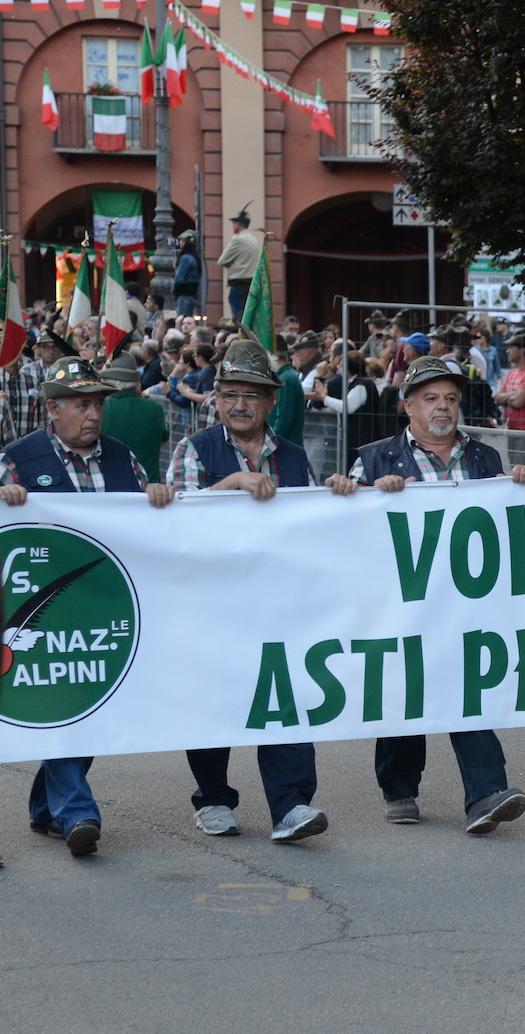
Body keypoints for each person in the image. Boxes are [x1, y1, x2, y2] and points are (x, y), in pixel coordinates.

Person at [324, 357, 525, 833]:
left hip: (467, 600)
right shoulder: (377, 457)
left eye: (450, 398)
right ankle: (399, 787)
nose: (442, 407)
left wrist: (522, 487)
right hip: (402, 600)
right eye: (430, 398)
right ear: (407, 407)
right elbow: (349, 524)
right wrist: (359, 491)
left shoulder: (485, 459)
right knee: (406, 687)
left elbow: (505, 520)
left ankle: (486, 792)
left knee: (467, 688)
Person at [0, 358, 172, 858]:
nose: (93, 414)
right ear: (52, 409)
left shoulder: (123, 459)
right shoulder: (17, 460)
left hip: (106, 612)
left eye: (97, 404)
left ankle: (44, 808)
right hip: (44, 617)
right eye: (81, 405)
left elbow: (149, 525)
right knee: (64, 706)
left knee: (91, 707)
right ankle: (77, 811)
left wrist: (157, 496)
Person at [167, 340, 331, 841]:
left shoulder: (297, 458)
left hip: (279, 606)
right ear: (215, 399)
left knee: (287, 702)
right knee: (215, 704)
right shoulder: (194, 450)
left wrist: (341, 496)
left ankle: (292, 806)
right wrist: (231, 483)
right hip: (213, 606)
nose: (240, 404)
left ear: (271, 401)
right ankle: (213, 799)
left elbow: (317, 527)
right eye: (230, 393)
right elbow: (175, 524)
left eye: (251, 395)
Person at [100, 360, 169, 484]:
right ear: (137, 383)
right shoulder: (154, 407)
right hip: (150, 489)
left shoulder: (101, 408)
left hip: (113, 485)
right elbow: (165, 440)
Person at [495, 331, 525, 435]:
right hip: (512, 429)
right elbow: (497, 398)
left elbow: (518, 402)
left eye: (511, 348)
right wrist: (515, 394)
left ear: (522, 350)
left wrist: (507, 397)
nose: (507, 351)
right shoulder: (512, 373)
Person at [216, 206, 260, 321]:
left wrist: (230, 262)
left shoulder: (238, 239)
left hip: (239, 283)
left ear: (238, 224)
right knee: (248, 316)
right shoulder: (253, 239)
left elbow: (222, 260)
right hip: (250, 283)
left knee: (239, 317)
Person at [172, 234, 201, 317]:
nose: (180, 243)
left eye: (181, 240)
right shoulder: (195, 258)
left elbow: (179, 277)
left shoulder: (185, 258)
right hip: (192, 294)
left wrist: (173, 290)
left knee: (182, 319)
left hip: (184, 295)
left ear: (185, 242)